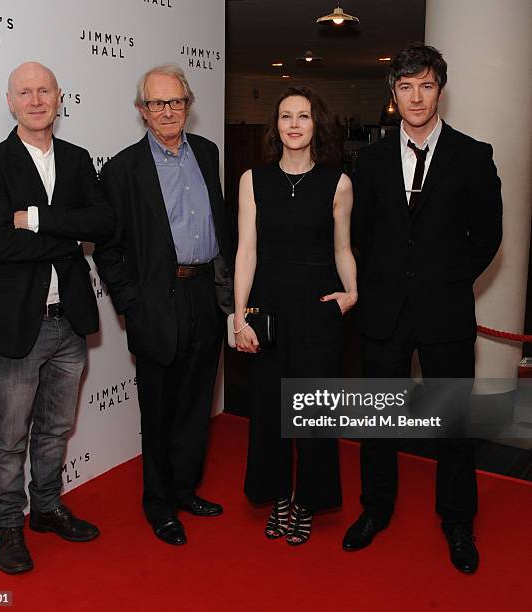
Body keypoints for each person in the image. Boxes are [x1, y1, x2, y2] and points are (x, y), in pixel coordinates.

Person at [343, 43, 502, 574]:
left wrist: (449, 280)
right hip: (385, 311)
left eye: (426, 85)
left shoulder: (474, 156)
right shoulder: (370, 159)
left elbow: (487, 236)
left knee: (453, 423)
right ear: (394, 94)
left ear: (440, 89)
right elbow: (360, 232)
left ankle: (458, 522)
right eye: (405, 87)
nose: (416, 96)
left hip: (446, 310)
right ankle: (375, 509)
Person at [0, 62, 114, 574]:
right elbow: (0, 244)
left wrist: (38, 219)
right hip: (16, 324)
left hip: (68, 320)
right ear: (11, 102)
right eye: (24, 92)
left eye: (43, 90)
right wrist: (69, 237)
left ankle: (47, 509)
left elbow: (103, 222)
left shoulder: (77, 159)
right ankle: (9, 525)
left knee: (55, 428)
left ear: (58, 97)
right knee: (10, 434)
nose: (35, 99)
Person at [93, 64, 233, 546]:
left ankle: (185, 489)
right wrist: (131, 303)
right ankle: (158, 505)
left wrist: (228, 291)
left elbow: (222, 226)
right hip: (156, 299)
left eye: (175, 102)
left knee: (197, 403)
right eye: (156, 103)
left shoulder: (209, 153)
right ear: (142, 111)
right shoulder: (122, 168)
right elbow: (108, 248)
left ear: (188, 105)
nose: (167, 111)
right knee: (158, 409)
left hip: (204, 295)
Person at [234, 87, 356, 545]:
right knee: (269, 409)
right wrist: (240, 315)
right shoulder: (253, 180)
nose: (294, 124)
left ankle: (308, 500)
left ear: (314, 124)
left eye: (303, 115)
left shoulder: (337, 183)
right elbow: (246, 251)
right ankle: (279, 497)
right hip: (268, 306)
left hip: (318, 309)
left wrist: (353, 293)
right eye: (286, 115)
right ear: (276, 125)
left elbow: (343, 247)